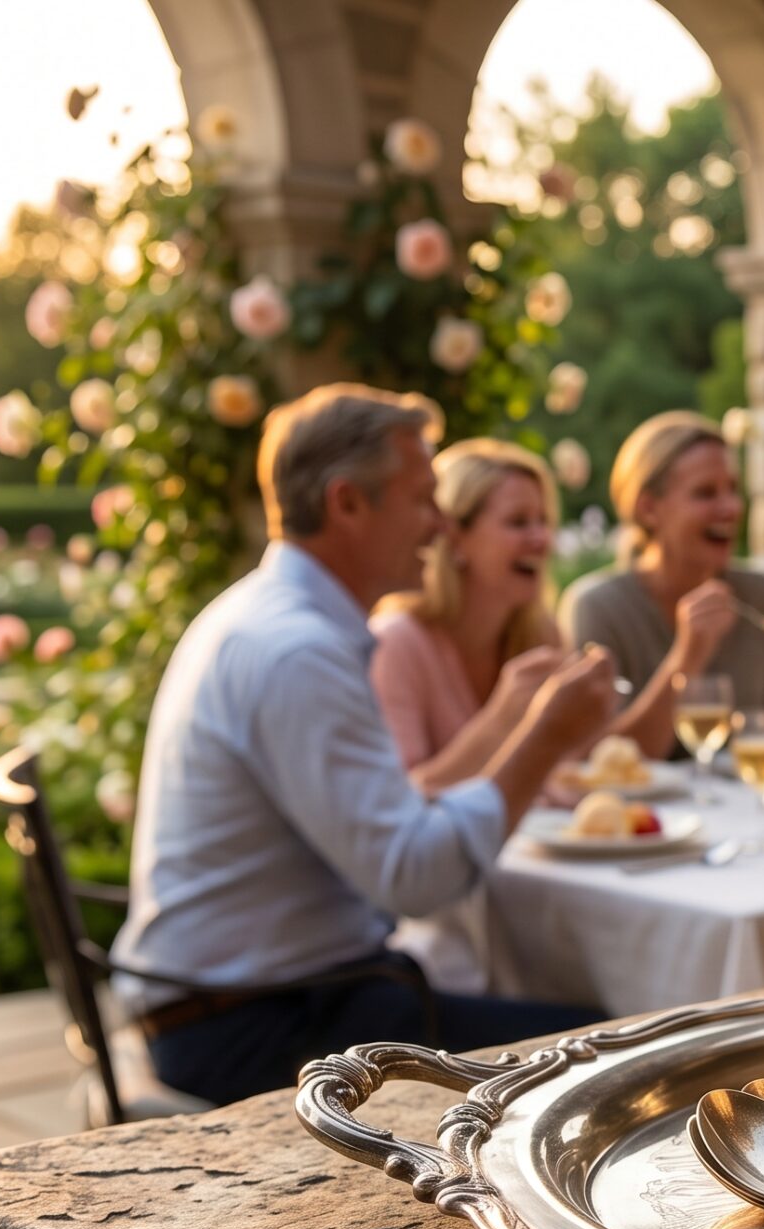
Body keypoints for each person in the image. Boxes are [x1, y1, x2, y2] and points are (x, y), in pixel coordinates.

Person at [113, 384, 616, 1106]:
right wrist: (542, 738)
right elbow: (414, 876)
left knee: (574, 1020)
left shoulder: (266, 619)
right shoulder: (298, 652)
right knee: (602, 1049)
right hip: (257, 1025)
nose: (440, 525)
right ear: (348, 503)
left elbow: (397, 832)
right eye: (421, 499)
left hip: (263, 999)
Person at [370, 438, 683, 784]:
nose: (541, 539)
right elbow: (404, 799)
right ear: (455, 538)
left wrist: (589, 716)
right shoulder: (397, 643)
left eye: (543, 521)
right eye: (518, 522)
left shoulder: (539, 634)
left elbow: (574, 766)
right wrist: (502, 719)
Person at [558, 411, 764, 750]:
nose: (730, 508)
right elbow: (601, 758)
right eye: (705, 493)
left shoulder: (763, 596)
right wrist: (687, 656)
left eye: (733, 489)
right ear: (648, 509)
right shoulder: (597, 607)